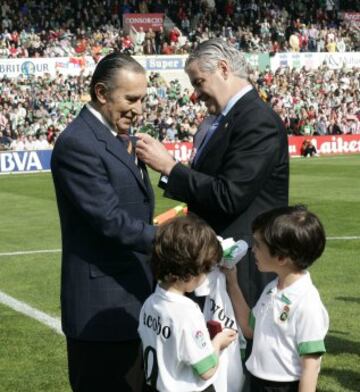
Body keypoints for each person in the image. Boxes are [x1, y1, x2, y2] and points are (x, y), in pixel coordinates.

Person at [136, 38, 289, 310]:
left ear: (223, 69)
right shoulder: (224, 120)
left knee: (238, 348)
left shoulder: (257, 120)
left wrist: (170, 167)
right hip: (220, 261)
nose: (196, 93)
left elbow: (230, 195)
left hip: (244, 266)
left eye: (198, 82)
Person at [51, 52, 156, 392]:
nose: (138, 109)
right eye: (131, 99)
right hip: (102, 308)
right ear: (101, 93)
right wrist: (169, 240)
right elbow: (110, 220)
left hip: (133, 299)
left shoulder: (120, 138)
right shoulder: (78, 143)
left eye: (142, 99)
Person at [225, 205, 329, 392]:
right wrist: (232, 283)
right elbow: (250, 329)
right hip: (257, 382)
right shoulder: (273, 288)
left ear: (281, 258)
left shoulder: (307, 303)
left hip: (284, 387)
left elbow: (310, 368)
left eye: (258, 245)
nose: (252, 250)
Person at [138, 215, 237, 392]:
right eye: (206, 269)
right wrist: (218, 343)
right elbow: (206, 370)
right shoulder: (187, 313)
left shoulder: (150, 302)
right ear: (189, 272)